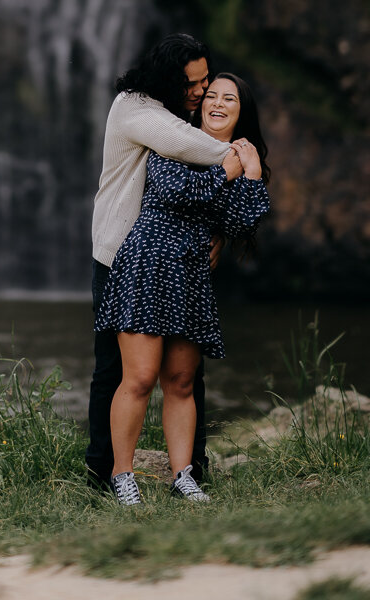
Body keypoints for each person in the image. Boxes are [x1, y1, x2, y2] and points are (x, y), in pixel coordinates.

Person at [95, 73, 271, 505]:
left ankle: (183, 476)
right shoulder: (177, 137)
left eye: (228, 98)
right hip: (148, 261)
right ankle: (122, 475)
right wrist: (230, 171)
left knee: (181, 380)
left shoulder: (240, 157)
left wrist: (250, 174)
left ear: (240, 111)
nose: (216, 103)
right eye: (210, 95)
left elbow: (240, 222)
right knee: (137, 377)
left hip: (191, 272)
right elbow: (177, 190)